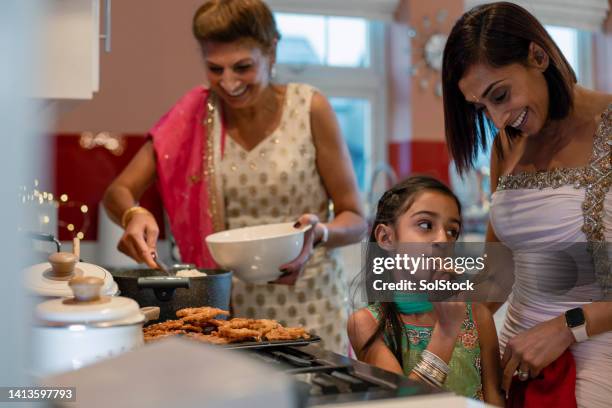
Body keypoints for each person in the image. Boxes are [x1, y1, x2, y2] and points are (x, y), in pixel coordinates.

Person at [103, 0, 367, 353]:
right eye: (215, 68)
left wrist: (318, 234)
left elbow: (356, 218)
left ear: (271, 50)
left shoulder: (309, 109)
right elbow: (117, 191)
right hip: (226, 314)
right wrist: (133, 214)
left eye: (243, 67)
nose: (228, 82)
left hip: (312, 305)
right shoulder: (194, 116)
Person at [442, 2, 612, 406]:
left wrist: (568, 327)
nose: (498, 119)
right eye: (481, 107)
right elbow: (499, 271)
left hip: (599, 358)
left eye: (500, 95)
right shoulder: (508, 144)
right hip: (515, 358)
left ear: (538, 55)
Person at [347, 176, 504, 404]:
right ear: (386, 237)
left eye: (452, 231)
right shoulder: (366, 324)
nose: (442, 239)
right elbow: (404, 405)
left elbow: (495, 398)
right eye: (425, 225)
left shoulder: (478, 316)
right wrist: (447, 331)